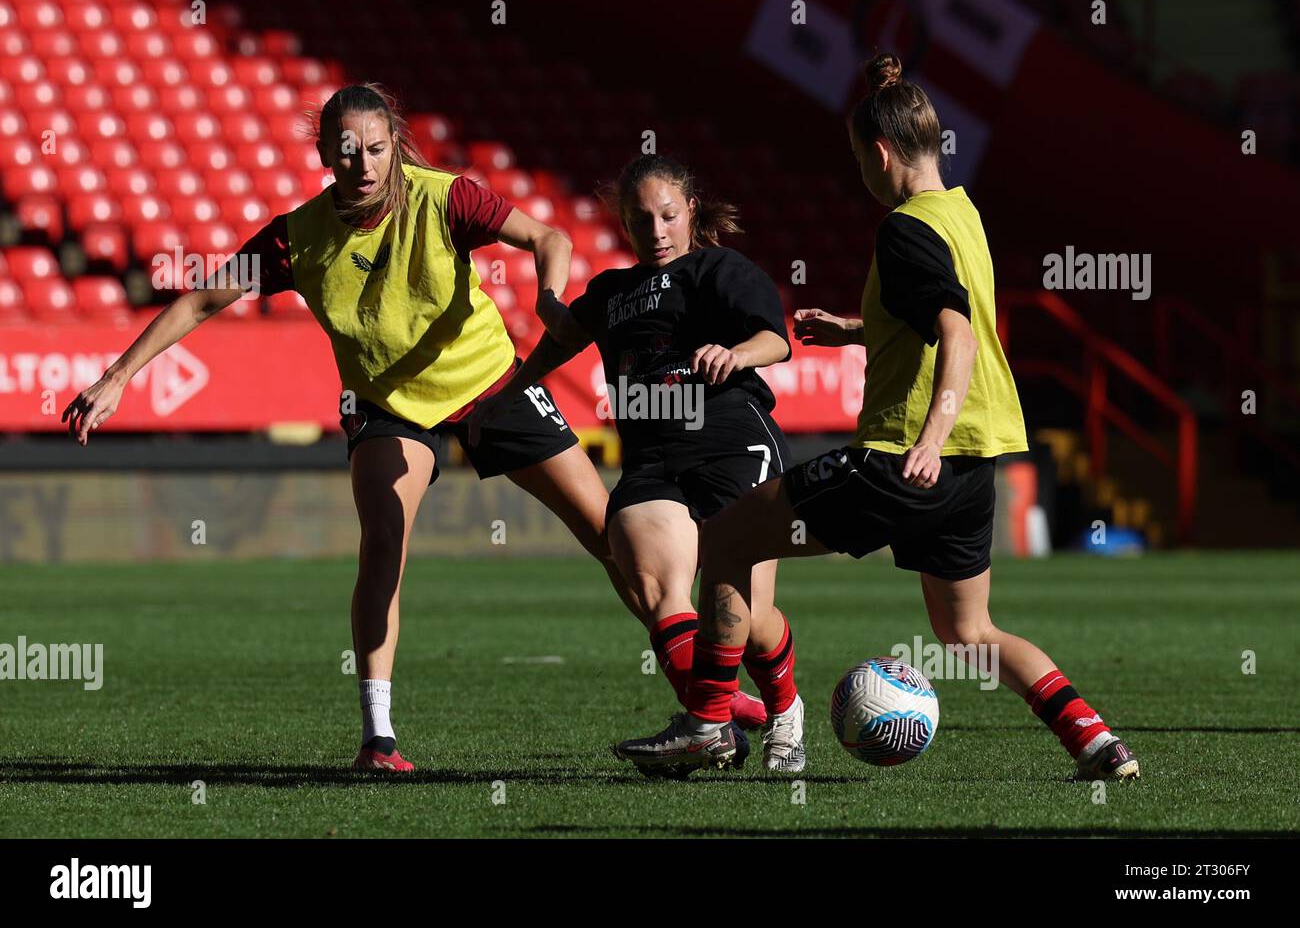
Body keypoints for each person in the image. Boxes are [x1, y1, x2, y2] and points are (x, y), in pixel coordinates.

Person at [62, 83, 639, 773]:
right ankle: (379, 739)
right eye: (346, 151)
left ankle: (706, 690)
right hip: (388, 403)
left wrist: (548, 299)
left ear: (393, 144)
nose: (363, 164)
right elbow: (201, 299)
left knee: (610, 533)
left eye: (374, 148)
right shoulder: (296, 236)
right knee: (383, 551)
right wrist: (119, 376)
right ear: (324, 156)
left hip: (491, 382)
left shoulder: (445, 195)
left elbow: (549, 237)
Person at [615, 54, 1141, 783]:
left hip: (904, 457)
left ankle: (707, 723)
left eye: (860, 160)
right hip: (973, 467)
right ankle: (1096, 742)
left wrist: (925, 440)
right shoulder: (962, 212)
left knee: (727, 540)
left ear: (882, 153)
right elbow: (947, 318)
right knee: (968, 630)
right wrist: (862, 328)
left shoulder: (901, 230)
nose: (861, 175)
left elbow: (955, 335)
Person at [471, 154, 805, 774]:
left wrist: (733, 354)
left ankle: (784, 710)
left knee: (748, 618)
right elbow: (562, 339)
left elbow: (776, 339)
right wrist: (507, 395)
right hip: (653, 460)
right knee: (653, 582)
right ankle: (712, 728)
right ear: (625, 224)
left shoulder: (720, 269)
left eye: (669, 215)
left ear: (691, 213)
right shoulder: (611, 293)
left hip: (732, 441)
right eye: (642, 219)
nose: (656, 230)